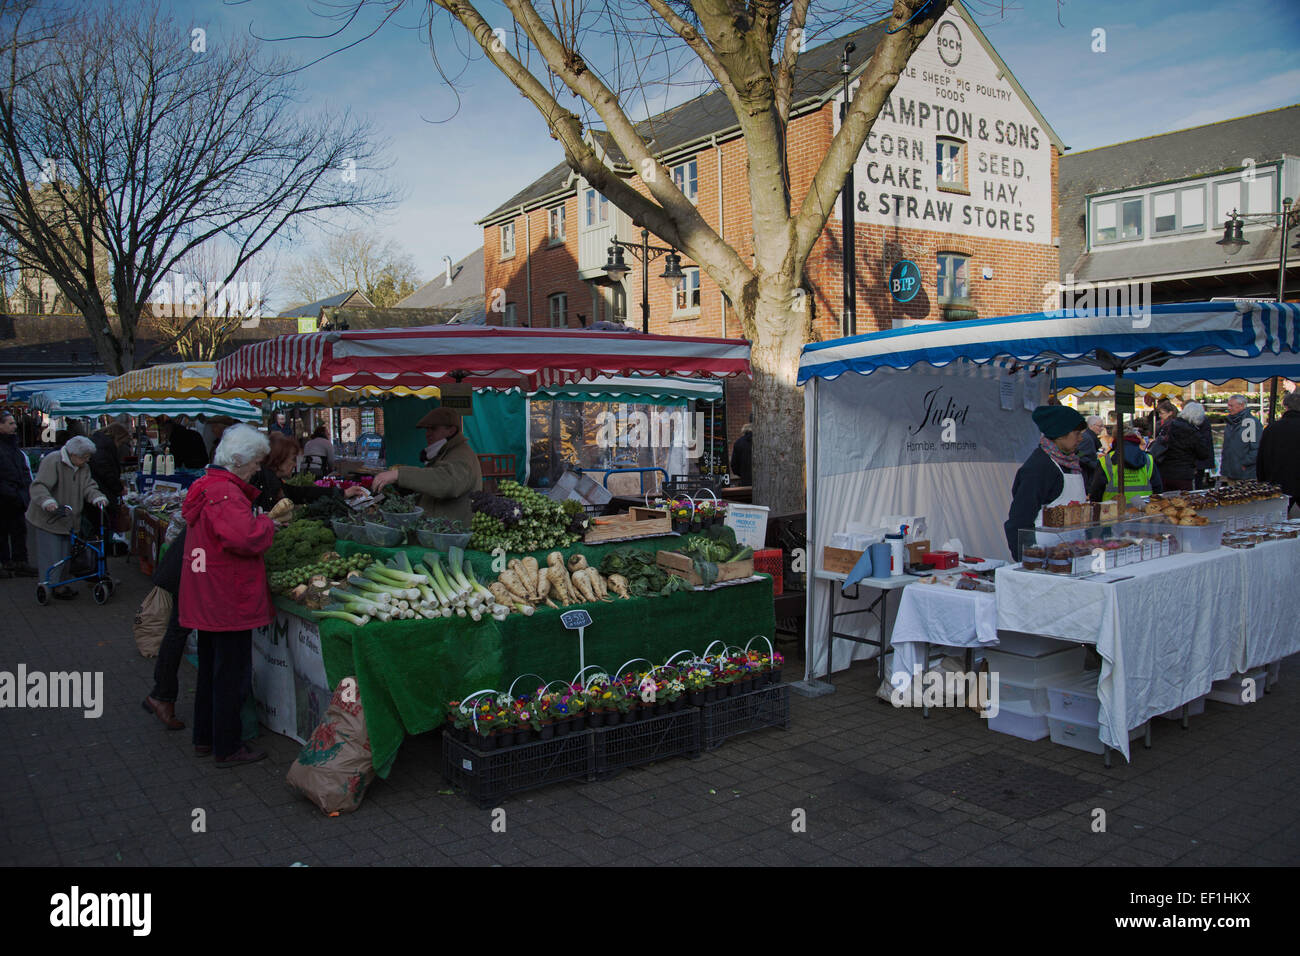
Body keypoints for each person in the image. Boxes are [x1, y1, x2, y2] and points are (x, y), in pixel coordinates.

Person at [180, 424, 275, 767]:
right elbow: (244, 538)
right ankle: (228, 745)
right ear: (238, 460)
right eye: (255, 463)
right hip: (228, 596)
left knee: (210, 669)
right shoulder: (225, 492)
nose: (257, 470)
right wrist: (267, 524)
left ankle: (205, 737)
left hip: (209, 593)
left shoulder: (206, 484)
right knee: (230, 674)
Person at [25, 435, 108, 598]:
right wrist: (47, 501)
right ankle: (48, 584)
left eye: (88, 457)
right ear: (73, 455)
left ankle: (60, 586)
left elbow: (88, 486)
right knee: (51, 554)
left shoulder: (83, 467)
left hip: (69, 518)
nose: (87, 460)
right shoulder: (53, 461)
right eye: (85, 457)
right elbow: (39, 485)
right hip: (49, 517)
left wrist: (96, 496)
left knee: (66, 554)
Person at [1004, 404, 1089, 560]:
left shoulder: (1071, 463)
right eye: (1077, 433)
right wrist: (1029, 559)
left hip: (1073, 553)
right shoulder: (1039, 468)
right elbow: (1019, 520)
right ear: (1060, 434)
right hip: (1045, 557)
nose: (1080, 438)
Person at [371, 407, 481, 527]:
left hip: (452, 533)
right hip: (437, 531)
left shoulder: (461, 454)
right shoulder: (443, 452)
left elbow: (447, 482)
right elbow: (431, 485)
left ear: (451, 430)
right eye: (427, 429)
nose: (428, 434)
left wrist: (399, 474)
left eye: (433, 429)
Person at [142, 523, 191, 731]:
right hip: (192, 568)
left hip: (189, 563)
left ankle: (161, 694)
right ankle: (161, 696)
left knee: (177, 631)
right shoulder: (219, 495)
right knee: (177, 631)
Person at [250, 433, 365, 511]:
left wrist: (342, 493)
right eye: (293, 459)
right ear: (279, 459)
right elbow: (300, 493)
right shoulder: (265, 486)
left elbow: (301, 492)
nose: (295, 464)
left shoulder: (273, 482)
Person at [0, 410, 38, 578]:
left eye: (14, 423)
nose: (15, 426)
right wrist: (12, 492)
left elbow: (22, 470)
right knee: (2, 532)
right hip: (5, 498)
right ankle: (6, 563)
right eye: (10, 423)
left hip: (17, 497)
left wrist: (25, 490)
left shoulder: (14, 446)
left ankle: (19, 562)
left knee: (19, 531)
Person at [1089, 428, 1164, 502]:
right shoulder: (1148, 459)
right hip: (1143, 510)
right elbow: (1157, 489)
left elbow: (1096, 491)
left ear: (1114, 439)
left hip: (1113, 510)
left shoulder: (1106, 461)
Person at [1149, 399, 1208, 492]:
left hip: (1164, 471)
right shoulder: (1193, 432)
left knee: (1164, 502)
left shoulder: (1168, 426)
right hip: (1183, 474)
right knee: (1182, 503)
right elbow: (1203, 453)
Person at [1257, 388, 1300, 517]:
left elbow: (1261, 459)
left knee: (1277, 522)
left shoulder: (1271, 429)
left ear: (1285, 407)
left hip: (1279, 484)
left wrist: (1263, 482)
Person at [89, 422, 130, 531]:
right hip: (102, 493)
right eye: (121, 442)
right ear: (118, 437)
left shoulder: (99, 443)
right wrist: (119, 488)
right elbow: (107, 473)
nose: (120, 446)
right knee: (104, 527)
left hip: (98, 492)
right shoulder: (104, 447)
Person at [1221, 394, 1262, 481]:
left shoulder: (1250, 423)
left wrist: (1243, 463)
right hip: (1231, 472)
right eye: (1228, 405)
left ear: (1242, 405)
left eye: (1231, 405)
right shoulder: (1230, 422)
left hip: (1246, 474)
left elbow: (1256, 448)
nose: (1229, 408)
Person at [1179, 401, 1215, 489]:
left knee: (1194, 484)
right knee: (1197, 483)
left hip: (1193, 462)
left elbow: (1200, 445)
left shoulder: (1193, 425)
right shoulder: (1202, 423)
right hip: (1197, 461)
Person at [1076, 415, 1103, 488]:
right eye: (1100, 426)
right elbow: (1078, 453)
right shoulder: (1087, 438)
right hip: (1086, 477)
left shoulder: (1090, 437)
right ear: (1091, 426)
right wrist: (1091, 463)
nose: (1102, 428)